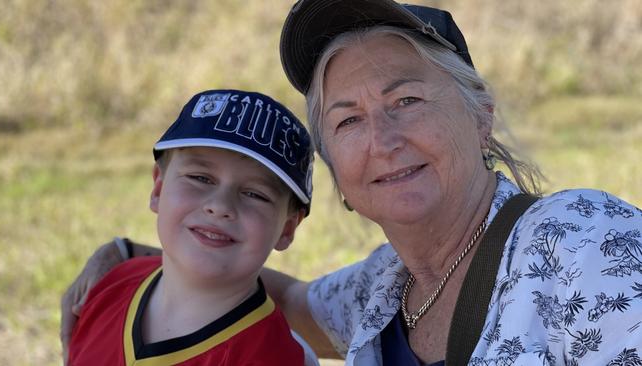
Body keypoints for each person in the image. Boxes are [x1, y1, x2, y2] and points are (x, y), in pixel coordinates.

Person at [62, 1, 642, 365]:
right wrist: (137, 253)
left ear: (480, 114)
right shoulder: (381, 291)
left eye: (406, 100)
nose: (382, 140)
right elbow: (287, 298)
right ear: (333, 166)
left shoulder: (579, 242)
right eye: (347, 120)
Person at [66, 89, 317, 365]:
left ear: (287, 229)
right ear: (159, 189)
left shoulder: (275, 358)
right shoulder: (108, 288)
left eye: (255, 194)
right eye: (200, 177)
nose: (220, 206)